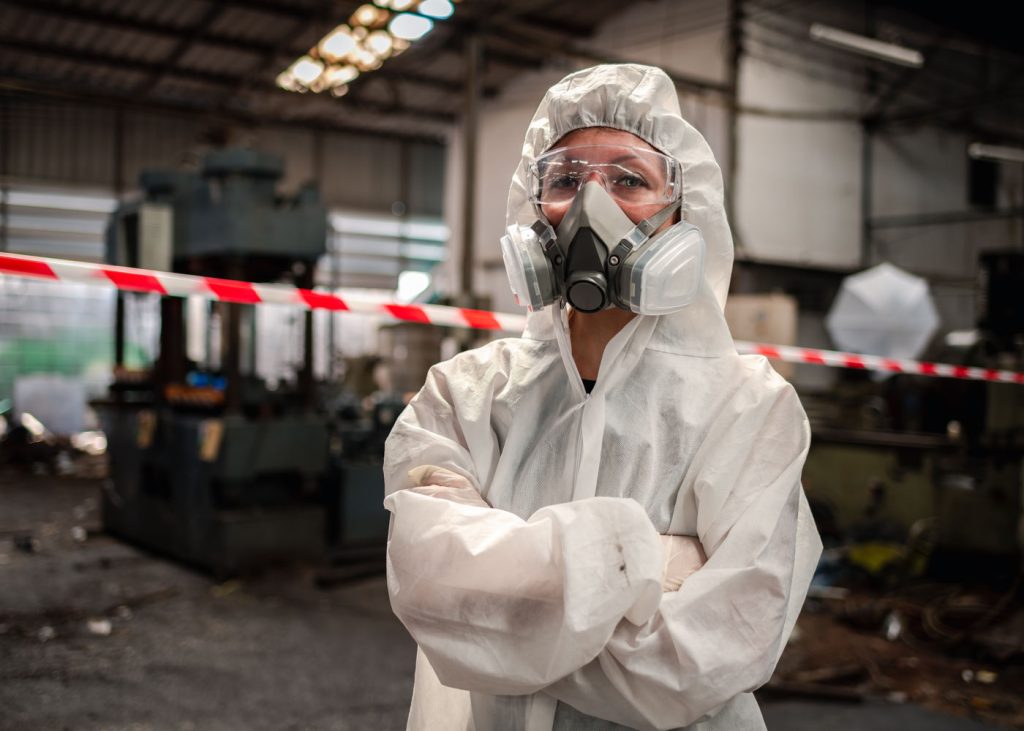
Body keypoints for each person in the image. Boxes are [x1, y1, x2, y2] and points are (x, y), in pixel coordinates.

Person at [383, 63, 822, 731]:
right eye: (565, 180)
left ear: (681, 211)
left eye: (629, 180)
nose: (593, 205)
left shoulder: (748, 406)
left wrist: (505, 613)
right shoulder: (463, 394)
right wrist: (648, 559)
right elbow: (430, 589)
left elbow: (715, 654)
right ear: (534, 210)